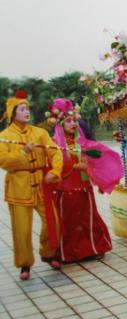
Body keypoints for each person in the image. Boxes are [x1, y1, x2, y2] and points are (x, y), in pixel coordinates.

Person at [0, 90, 63, 280]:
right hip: (19, 188)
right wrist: (23, 153)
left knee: (53, 222)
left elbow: (56, 152)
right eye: (22, 109)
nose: (26, 112)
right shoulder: (4, 136)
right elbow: (3, 161)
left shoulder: (40, 133)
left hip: (42, 184)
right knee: (22, 229)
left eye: (27, 108)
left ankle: (49, 253)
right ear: (13, 113)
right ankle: (25, 264)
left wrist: (55, 171)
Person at [49, 98, 121, 262]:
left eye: (74, 120)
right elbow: (53, 166)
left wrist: (88, 166)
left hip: (83, 187)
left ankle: (92, 249)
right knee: (68, 221)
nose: (73, 124)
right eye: (68, 121)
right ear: (60, 124)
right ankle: (67, 253)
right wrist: (74, 167)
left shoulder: (80, 142)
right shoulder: (53, 143)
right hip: (64, 189)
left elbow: (92, 160)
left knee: (87, 218)